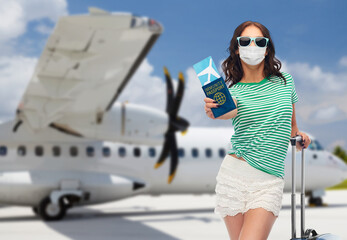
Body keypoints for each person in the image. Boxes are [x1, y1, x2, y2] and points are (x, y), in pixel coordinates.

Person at [204, 21, 311, 240]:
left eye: (259, 41)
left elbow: (292, 126)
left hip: (268, 181)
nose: (252, 45)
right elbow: (227, 111)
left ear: (267, 47)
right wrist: (213, 110)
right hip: (233, 176)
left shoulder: (285, 82)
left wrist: (300, 137)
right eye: (245, 41)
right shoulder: (234, 91)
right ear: (236, 48)